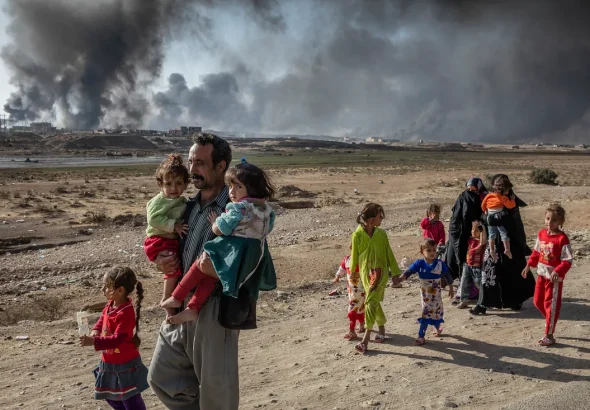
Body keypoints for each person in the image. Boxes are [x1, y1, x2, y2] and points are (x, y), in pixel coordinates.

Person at [148, 133, 268, 410]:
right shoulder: (188, 207)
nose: (192, 170)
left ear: (220, 166)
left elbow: (257, 256)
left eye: (200, 163)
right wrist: (161, 259)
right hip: (181, 300)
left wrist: (222, 269)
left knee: (217, 394)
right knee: (164, 377)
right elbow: (164, 238)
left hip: (215, 307)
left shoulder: (240, 208)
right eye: (191, 162)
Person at [161, 159, 276, 324]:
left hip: (231, 249)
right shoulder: (265, 209)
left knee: (199, 265)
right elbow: (267, 228)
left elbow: (221, 229)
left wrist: (216, 221)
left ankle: (177, 296)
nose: (232, 191)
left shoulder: (238, 208)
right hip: (252, 252)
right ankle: (193, 308)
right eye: (230, 186)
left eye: (238, 186)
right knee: (211, 276)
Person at [79, 266, 148, 410]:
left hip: (124, 364)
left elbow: (117, 340)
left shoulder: (126, 313)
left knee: (131, 400)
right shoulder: (110, 305)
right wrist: (95, 330)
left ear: (120, 290)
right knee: (111, 396)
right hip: (109, 362)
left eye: (106, 286)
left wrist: (94, 341)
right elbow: (102, 319)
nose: (102, 289)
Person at [471, 174, 534, 315]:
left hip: (509, 243)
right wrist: (487, 219)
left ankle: (515, 301)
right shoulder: (492, 198)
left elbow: (515, 223)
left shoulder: (511, 201)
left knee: (513, 272)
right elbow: (483, 214)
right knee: (489, 271)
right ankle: (483, 303)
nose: (498, 188)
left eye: (500, 186)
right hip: (495, 242)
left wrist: (494, 218)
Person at [349, 203, 401, 354]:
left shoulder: (382, 234)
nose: (382, 219)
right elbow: (354, 256)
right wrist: (352, 274)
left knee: (370, 302)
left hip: (380, 273)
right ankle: (382, 328)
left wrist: (395, 273)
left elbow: (389, 253)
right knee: (374, 301)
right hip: (366, 274)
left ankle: (365, 340)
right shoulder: (357, 235)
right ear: (372, 219)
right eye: (380, 216)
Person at [143, 153, 190, 317]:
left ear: (185, 184)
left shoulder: (182, 201)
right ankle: (167, 299)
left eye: (178, 183)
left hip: (168, 240)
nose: (173, 188)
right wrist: (173, 226)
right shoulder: (159, 201)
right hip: (158, 241)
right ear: (160, 184)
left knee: (175, 267)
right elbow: (153, 219)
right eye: (168, 184)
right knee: (172, 266)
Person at [521, 204, 573, 347]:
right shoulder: (541, 234)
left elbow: (567, 260)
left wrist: (558, 271)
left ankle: (549, 335)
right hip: (541, 274)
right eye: (548, 219)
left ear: (561, 222)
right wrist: (528, 265)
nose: (550, 223)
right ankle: (551, 321)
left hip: (553, 278)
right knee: (538, 301)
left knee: (550, 304)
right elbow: (536, 252)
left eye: (554, 220)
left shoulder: (562, 239)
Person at [397, 239, 454, 345]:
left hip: (436, 296)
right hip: (425, 296)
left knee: (436, 313)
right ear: (422, 252)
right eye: (429, 250)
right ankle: (421, 336)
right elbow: (409, 272)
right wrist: (400, 278)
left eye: (434, 250)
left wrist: (451, 288)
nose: (432, 253)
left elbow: (447, 275)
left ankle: (437, 328)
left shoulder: (439, 264)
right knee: (426, 312)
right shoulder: (419, 263)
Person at [444, 177, 488, 304]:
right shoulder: (463, 197)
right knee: (460, 261)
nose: (470, 190)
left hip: (475, 236)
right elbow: (457, 214)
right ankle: (463, 294)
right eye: (469, 188)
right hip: (460, 234)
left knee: (476, 270)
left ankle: (480, 295)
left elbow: (482, 217)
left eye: (473, 188)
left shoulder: (484, 197)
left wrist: (478, 227)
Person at [333, 252, 365, 340]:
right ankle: (362, 324)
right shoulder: (347, 259)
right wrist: (337, 276)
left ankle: (352, 331)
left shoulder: (363, 258)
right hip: (351, 290)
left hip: (361, 290)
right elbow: (342, 269)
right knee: (360, 308)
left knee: (352, 310)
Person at [482, 186, 516, 262]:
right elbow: (510, 206)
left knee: (491, 234)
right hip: (499, 218)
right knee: (503, 233)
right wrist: (513, 199)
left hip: (490, 218)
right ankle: (507, 249)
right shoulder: (503, 198)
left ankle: (491, 249)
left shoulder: (488, 196)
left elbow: (483, 205)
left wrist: (485, 210)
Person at [457, 221, 486, 309]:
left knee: (478, 283)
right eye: (473, 229)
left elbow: (483, 239)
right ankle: (464, 301)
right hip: (468, 265)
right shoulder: (470, 240)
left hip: (477, 267)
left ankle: (484, 300)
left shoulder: (482, 242)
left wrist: (483, 230)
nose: (473, 231)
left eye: (476, 230)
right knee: (464, 283)